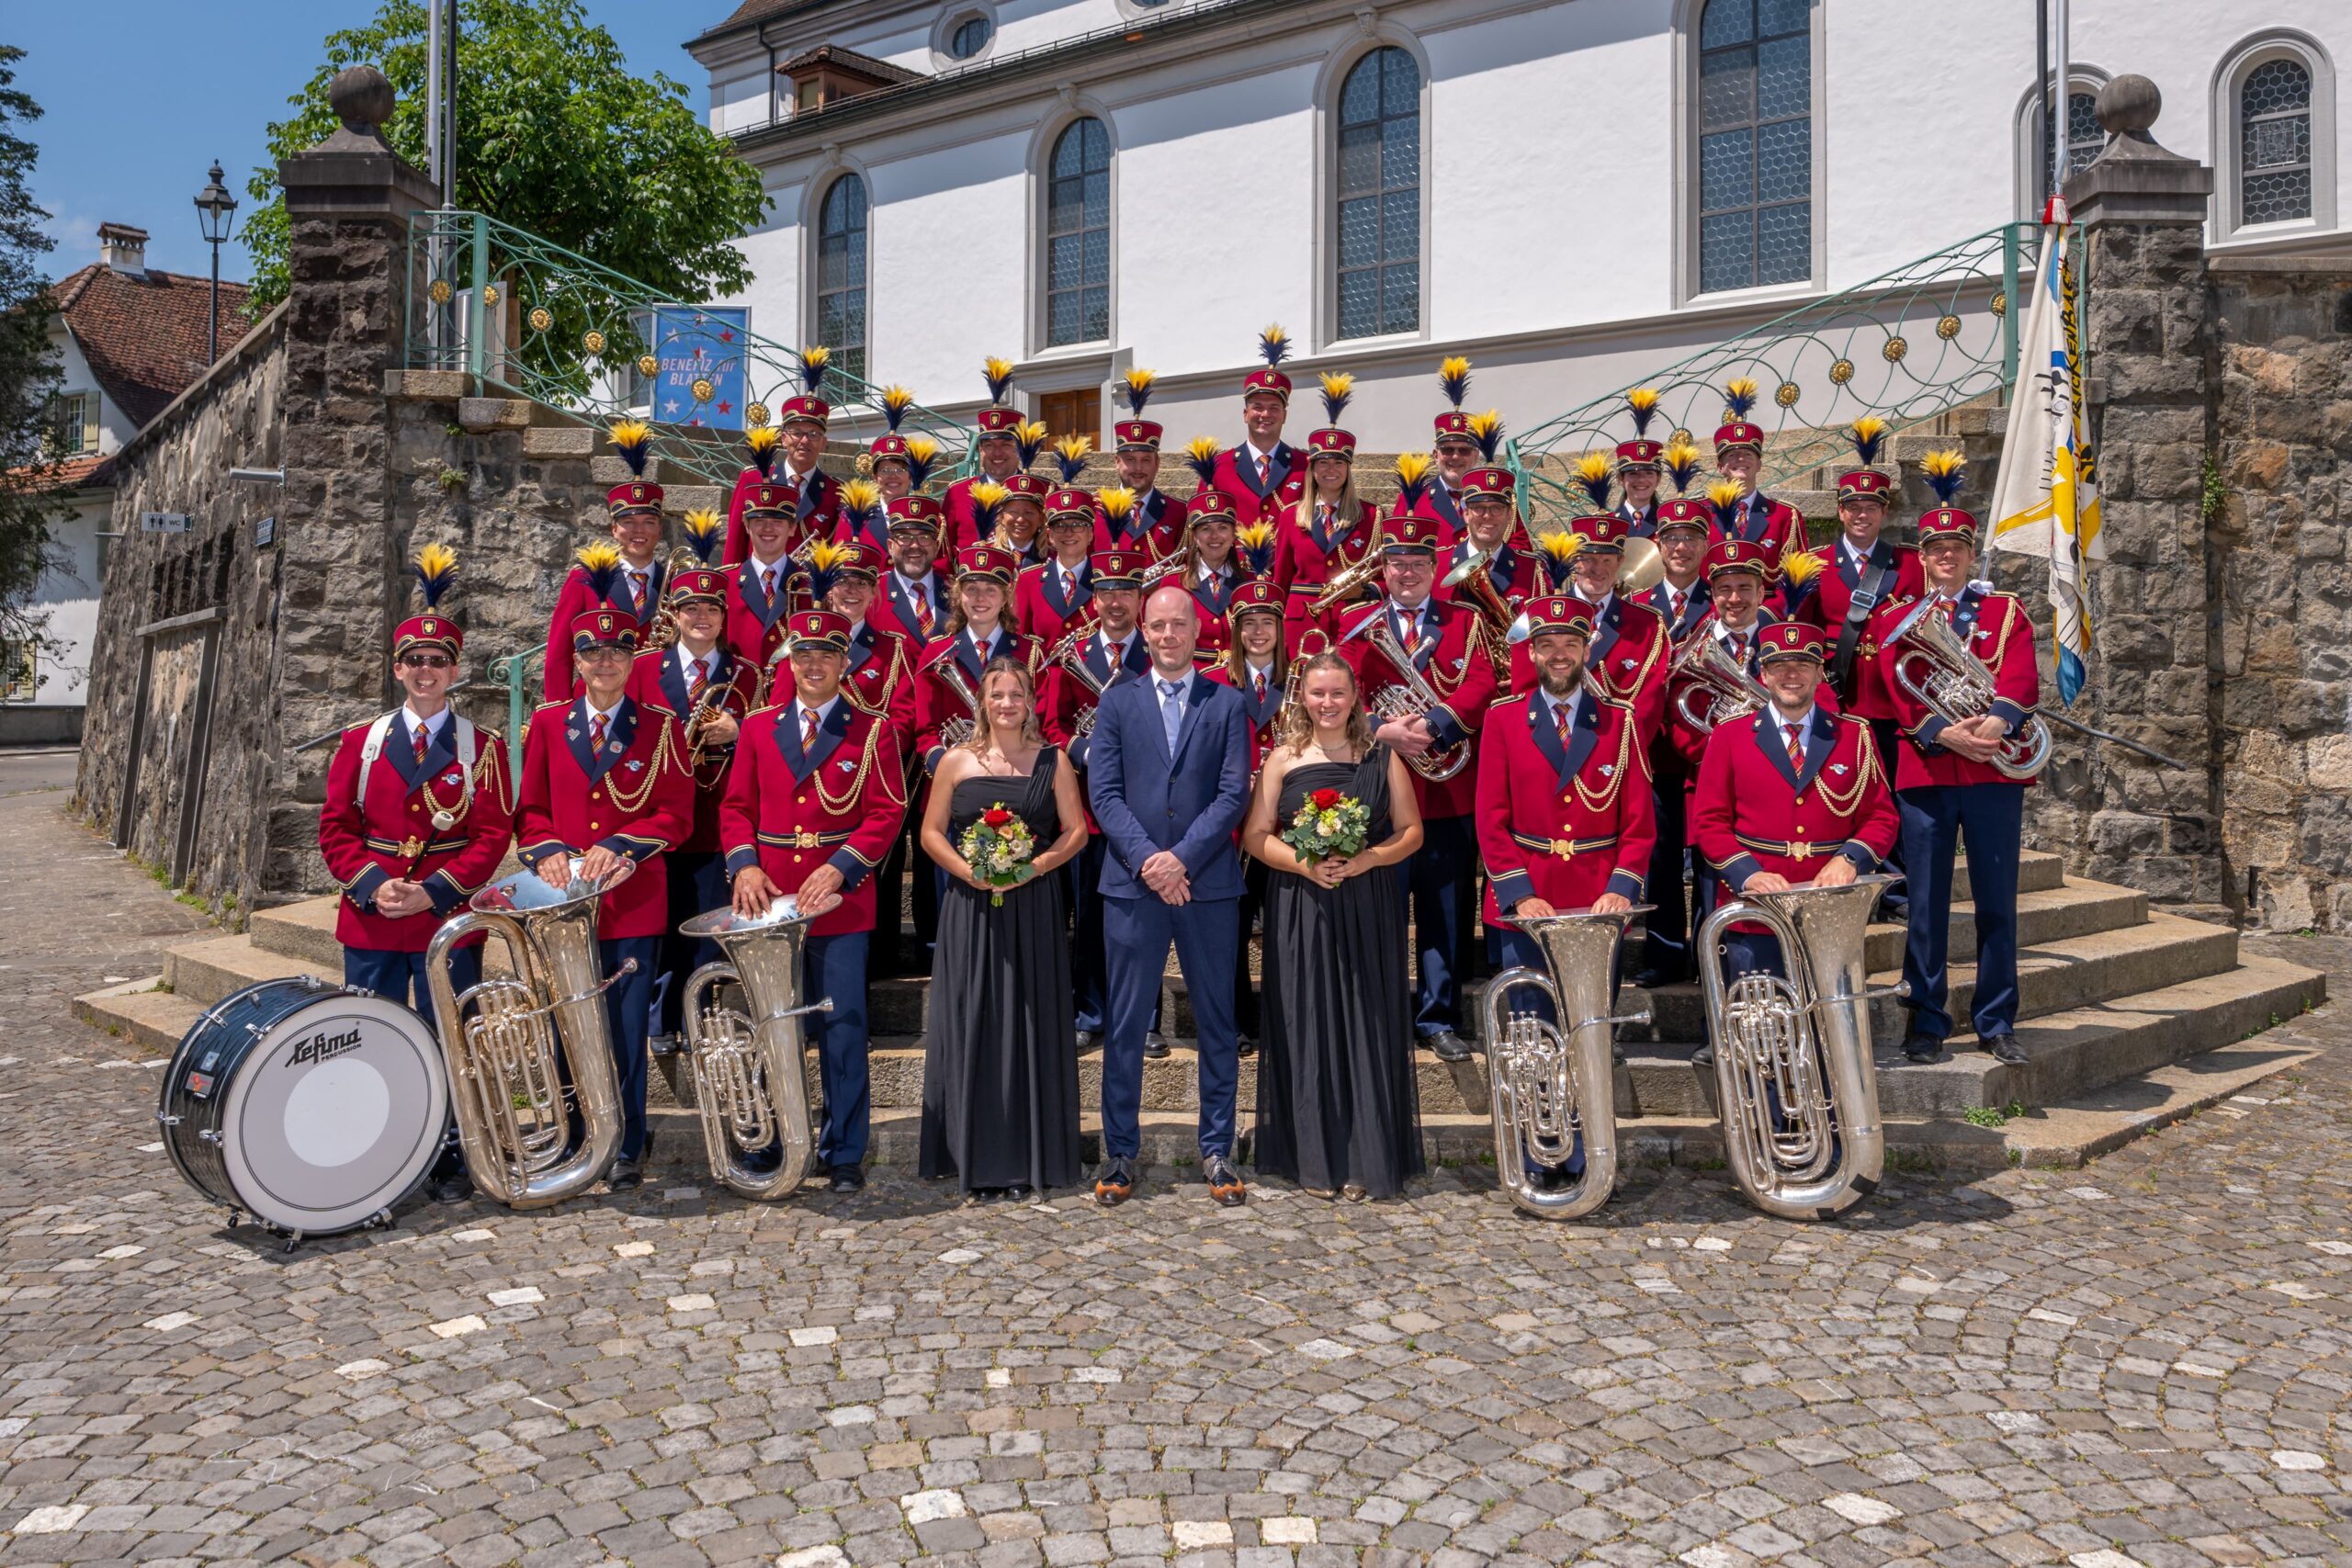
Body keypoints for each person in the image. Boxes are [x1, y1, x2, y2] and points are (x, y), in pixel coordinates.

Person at [318, 547, 514, 1204]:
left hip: (444, 918)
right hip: (373, 918)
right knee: (366, 1040)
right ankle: (372, 1152)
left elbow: (491, 835)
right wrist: (374, 884)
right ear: (397, 668)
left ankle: (452, 1152)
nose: (426, 670)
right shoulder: (361, 743)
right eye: (415, 660)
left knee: (450, 1038)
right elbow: (335, 829)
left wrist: (431, 891)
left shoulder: (482, 748)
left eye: (438, 660)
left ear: (454, 671)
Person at [514, 575, 695, 1190]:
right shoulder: (547, 724)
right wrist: (547, 852)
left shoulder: (660, 726)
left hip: (631, 902)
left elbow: (676, 814)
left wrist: (620, 845)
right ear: (578, 661)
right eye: (593, 653)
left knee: (623, 1030)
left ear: (632, 659)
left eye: (618, 651)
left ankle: (623, 1144)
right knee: (565, 1026)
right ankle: (570, 1137)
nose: (606, 662)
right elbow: (530, 811)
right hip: (564, 904)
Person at [721, 609, 910, 1192]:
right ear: (790, 662)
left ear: (844, 662)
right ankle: (771, 1143)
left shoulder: (872, 729)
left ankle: (843, 1151)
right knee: (769, 1026)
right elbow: (735, 807)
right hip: (768, 901)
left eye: (826, 654)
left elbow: (887, 811)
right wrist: (745, 864)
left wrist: (839, 867)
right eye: (803, 654)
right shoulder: (758, 727)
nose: (813, 664)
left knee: (843, 1030)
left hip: (838, 903)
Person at [1471, 596, 1657, 1175]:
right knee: (1531, 1030)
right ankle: (1540, 1148)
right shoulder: (1503, 718)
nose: (1558, 655)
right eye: (1547, 645)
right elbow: (1490, 819)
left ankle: (1592, 1149)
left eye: (1570, 644)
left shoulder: (1620, 720)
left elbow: (1638, 823)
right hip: (1528, 900)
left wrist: (1622, 888)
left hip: (1597, 902)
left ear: (1586, 650)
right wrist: (1520, 892)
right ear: (1531, 653)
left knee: (1589, 1028)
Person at [1087, 584, 1257, 1208]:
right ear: (1144, 629)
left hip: (1207, 886)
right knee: (1126, 1023)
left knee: (1216, 1021)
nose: (1167, 635)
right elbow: (1104, 794)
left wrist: (1181, 858)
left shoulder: (1227, 701)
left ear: (1197, 628)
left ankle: (1217, 1148)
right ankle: (1119, 1151)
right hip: (1132, 886)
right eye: (1156, 625)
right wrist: (1150, 862)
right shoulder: (1116, 702)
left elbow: (1233, 793)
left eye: (1177, 624)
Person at [1872, 453, 2041, 1066]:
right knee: (1924, 903)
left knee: (1997, 901)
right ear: (1922, 557)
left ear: (1972, 556)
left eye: (1957, 548)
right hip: (1927, 771)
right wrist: (1945, 733)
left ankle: (1997, 1020)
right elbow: (1894, 688)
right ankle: (1926, 1019)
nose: (1947, 556)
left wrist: (1995, 724)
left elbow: (2020, 676)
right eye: (1936, 548)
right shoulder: (1896, 619)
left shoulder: (2005, 612)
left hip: (1993, 771)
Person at [1243, 651, 1424, 1200]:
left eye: (1338, 693)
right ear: (1302, 697)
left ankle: (1364, 1159)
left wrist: (1368, 859)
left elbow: (1412, 831)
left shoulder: (1382, 757)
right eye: (1318, 693)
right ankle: (1315, 1160)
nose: (1328, 703)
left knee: (1366, 1021)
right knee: (1307, 1020)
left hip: (1367, 902)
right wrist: (1304, 864)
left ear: (1354, 697)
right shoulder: (1282, 759)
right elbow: (1256, 836)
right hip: (1301, 905)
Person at [918, 658, 1091, 1198]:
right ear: (982, 702)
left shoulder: (1053, 760)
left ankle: (1025, 1158)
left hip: (1033, 904)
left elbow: (1076, 832)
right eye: (997, 694)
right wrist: (966, 871)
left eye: (1017, 694)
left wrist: (1035, 867)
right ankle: (973, 1156)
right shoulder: (955, 760)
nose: (1007, 704)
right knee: (973, 1017)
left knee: (1030, 1021)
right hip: (969, 907)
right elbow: (930, 833)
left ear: (1031, 702)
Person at [1690, 621, 1899, 1064]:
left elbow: (1881, 817)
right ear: (1763, 675)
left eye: (1802, 665)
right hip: (1756, 910)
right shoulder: (1729, 734)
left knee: (1830, 1039)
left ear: (1820, 673)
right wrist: (1749, 874)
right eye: (1779, 665)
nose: (1791, 674)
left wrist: (1850, 859)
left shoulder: (1853, 734)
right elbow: (1709, 822)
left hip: (1829, 909)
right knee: (1761, 1040)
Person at [1336, 512, 1498, 1063]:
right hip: (1380, 792)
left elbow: (1483, 682)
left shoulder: (1464, 621)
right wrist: (1380, 730)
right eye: (1397, 563)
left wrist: (1435, 723)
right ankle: (1378, 1016)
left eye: (1418, 563)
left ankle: (1438, 1018)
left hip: (1447, 795)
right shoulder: (1356, 621)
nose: (1407, 573)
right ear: (1383, 569)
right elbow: (1336, 690)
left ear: (1434, 567)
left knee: (1445, 913)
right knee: (1377, 911)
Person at [626, 515, 756, 1055]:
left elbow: (764, 746)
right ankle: (659, 1018)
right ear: (674, 615)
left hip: (716, 816)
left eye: (711, 609)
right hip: (655, 817)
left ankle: (700, 1017)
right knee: (658, 923)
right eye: (691, 608)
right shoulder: (640, 668)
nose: (702, 617)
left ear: (723, 617)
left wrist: (738, 730)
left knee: (706, 924)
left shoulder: (747, 674)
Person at [1793, 418, 1924, 919]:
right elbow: (1803, 634)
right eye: (1853, 506)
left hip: (1890, 701)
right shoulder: (1814, 564)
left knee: (1891, 796)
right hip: (1839, 700)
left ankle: (1895, 890)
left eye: (1871, 506)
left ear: (1884, 512)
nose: (1862, 514)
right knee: (1842, 794)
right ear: (1840, 511)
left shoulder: (1908, 565)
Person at [1040, 550, 1154, 1049]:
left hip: (1145, 809)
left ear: (1139, 598)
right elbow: (1052, 725)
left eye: (1125, 591)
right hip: (1087, 809)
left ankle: (1144, 1017)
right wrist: (1088, 752)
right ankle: (1089, 1010)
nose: (1115, 601)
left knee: (1144, 918)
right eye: (1106, 592)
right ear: (1094, 599)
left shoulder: (1156, 651)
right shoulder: (1072, 654)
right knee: (1088, 917)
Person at [1626, 496, 1716, 987]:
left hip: (1709, 752)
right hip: (1654, 750)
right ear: (1658, 545)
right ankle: (1664, 955)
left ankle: (1707, 954)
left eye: (1691, 539)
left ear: (1706, 545)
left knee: (1709, 856)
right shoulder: (1636, 606)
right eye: (1673, 538)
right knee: (1659, 856)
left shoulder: (1722, 600)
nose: (1682, 547)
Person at [1205, 581, 1293, 1051]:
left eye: (1267, 623)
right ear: (1235, 631)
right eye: (1249, 624)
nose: (1258, 632)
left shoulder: (1302, 678)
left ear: (1280, 628)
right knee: (1230, 930)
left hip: (1287, 826)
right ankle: (1235, 1022)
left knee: (1286, 928)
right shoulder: (1212, 681)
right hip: (1231, 827)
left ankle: (1286, 1024)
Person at [544, 421, 667, 700]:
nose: (639, 531)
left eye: (648, 522)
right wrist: (558, 712)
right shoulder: (584, 578)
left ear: (660, 529)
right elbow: (559, 655)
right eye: (628, 522)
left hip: (657, 706)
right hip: (593, 704)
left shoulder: (673, 583)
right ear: (613, 529)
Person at [1273, 377, 1382, 652]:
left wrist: (1365, 591)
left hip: (1351, 618)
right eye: (1323, 463)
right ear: (1312, 470)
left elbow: (1383, 574)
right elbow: (1281, 579)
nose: (1331, 469)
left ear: (1348, 469)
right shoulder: (1290, 516)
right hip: (1301, 622)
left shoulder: (1372, 515)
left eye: (1338, 463)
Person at [914, 545, 1037, 778]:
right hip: (955, 778)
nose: (980, 598)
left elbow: (1039, 722)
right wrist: (948, 769)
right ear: (959, 596)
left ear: (1005, 598)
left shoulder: (1030, 652)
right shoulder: (936, 652)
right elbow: (927, 731)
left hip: (1016, 776)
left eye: (991, 590)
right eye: (971, 589)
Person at [1559, 512, 1670, 747]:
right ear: (1574, 561)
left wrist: (1615, 748)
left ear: (1621, 562)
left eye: (1607, 560)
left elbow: (1650, 701)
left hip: (1619, 751)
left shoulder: (1648, 624)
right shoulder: (1542, 616)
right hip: (1555, 748)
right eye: (1588, 559)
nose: (1598, 569)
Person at [724, 351, 841, 564]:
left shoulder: (836, 492)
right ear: (784, 439)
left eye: (813, 434)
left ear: (823, 443)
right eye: (797, 433)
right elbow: (735, 543)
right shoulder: (753, 480)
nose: (804, 441)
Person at [1710, 378, 1804, 602]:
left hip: (1766, 614)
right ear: (1720, 466)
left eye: (1748, 454)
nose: (1741, 459)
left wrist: (1766, 616)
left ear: (1759, 464)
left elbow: (1796, 582)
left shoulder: (1784, 516)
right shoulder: (1703, 513)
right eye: (1732, 455)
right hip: (1715, 612)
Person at [1198, 327, 1299, 526]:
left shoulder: (1305, 466)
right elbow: (1202, 527)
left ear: (1284, 416)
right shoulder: (1217, 467)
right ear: (1245, 414)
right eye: (1257, 407)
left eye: (1274, 408)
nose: (1265, 414)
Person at [1099, 370, 1186, 559]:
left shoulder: (1179, 512)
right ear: (1117, 462)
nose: (1138, 468)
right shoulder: (1096, 510)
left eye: (1146, 460)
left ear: (1157, 463)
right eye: (1130, 460)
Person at [723, 478, 803, 671]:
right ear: (746, 525)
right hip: (739, 685)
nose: (768, 528)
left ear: (792, 528)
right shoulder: (725, 582)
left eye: (777, 521)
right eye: (759, 521)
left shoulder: (808, 583)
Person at [945, 358, 1026, 549]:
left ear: (1019, 449)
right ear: (980, 450)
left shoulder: (1042, 490)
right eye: (989, 445)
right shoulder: (958, 494)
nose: (997, 453)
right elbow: (944, 552)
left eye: (1006, 444)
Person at [1170, 473, 1248, 665]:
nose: (1214, 536)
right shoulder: (1172, 584)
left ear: (1234, 534)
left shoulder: (1251, 582)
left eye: (1222, 528)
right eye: (1205, 529)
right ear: (1194, 536)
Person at [1015, 474, 1097, 648]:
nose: (1069, 533)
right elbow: (1019, 642)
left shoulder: (1104, 578)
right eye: (1060, 526)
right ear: (1050, 536)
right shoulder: (1029, 580)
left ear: (1090, 534)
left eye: (1078, 525)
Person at [1399, 356, 1477, 536]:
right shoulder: (1412, 499)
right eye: (1448, 450)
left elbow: (1519, 546)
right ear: (1436, 455)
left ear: (1476, 455)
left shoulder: (1494, 497)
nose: (1455, 457)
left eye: (1464, 450)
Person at [872, 495, 951, 647]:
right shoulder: (872, 595)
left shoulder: (956, 595)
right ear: (890, 546)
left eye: (924, 537)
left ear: (936, 546)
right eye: (904, 537)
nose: (915, 545)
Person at [1615, 389, 1667, 536]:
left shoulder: (1667, 523)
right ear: (1620, 479)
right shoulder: (1609, 524)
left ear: (1658, 479)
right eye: (1633, 473)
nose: (1641, 480)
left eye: (1649, 473)